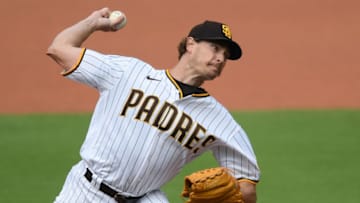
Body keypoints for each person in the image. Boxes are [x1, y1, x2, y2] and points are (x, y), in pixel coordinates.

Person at [47, 7, 260, 203]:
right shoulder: (127, 73)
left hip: (145, 198)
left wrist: (237, 194)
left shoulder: (220, 120)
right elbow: (59, 49)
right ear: (190, 44)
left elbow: (247, 186)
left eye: (226, 55)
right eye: (215, 48)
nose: (221, 58)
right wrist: (91, 23)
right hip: (86, 190)